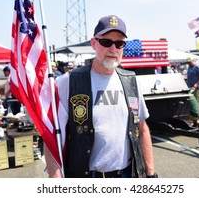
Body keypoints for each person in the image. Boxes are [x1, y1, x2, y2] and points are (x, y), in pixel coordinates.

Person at [44, 15, 157, 178]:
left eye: (119, 43)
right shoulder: (69, 81)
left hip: (127, 175)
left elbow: (142, 128)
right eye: (106, 42)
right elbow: (52, 134)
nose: (113, 49)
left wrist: (150, 173)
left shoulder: (131, 81)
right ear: (93, 43)